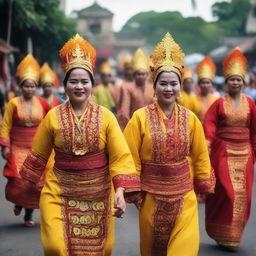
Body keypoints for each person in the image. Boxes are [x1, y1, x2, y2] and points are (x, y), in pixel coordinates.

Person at [20, 34, 140, 256]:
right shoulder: (53, 116)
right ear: (65, 85)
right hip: (59, 191)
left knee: (101, 249)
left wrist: (121, 191)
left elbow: (120, 157)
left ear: (92, 85)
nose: (79, 86)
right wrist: (23, 193)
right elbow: (38, 156)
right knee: (56, 246)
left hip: (98, 194)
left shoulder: (106, 117)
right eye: (73, 81)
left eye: (84, 81)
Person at [124, 32, 215, 256]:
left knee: (184, 248)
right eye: (163, 83)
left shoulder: (191, 118)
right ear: (154, 86)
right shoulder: (139, 118)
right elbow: (129, 155)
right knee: (153, 248)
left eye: (173, 83)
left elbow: (200, 154)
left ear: (180, 86)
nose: (168, 88)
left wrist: (203, 180)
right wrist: (131, 188)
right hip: (151, 196)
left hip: (184, 194)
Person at [204, 48, 256, 249]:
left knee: (244, 195)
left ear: (244, 82)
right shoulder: (218, 104)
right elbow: (209, 128)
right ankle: (220, 231)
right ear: (226, 83)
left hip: (245, 155)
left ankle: (233, 235)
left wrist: (253, 152)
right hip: (223, 152)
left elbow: (254, 131)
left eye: (239, 80)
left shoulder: (250, 104)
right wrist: (207, 150)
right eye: (232, 79)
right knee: (226, 192)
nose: (235, 83)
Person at [0, 54, 50, 227]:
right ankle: (19, 202)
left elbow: (49, 125)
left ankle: (28, 215)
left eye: (32, 86)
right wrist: (5, 146)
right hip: (17, 147)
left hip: (37, 149)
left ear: (36, 87)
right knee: (19, 180)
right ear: (21, 87)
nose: (29, 89)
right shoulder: (13, 103)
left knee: (35, 183)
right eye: (26, 86)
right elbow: (5, 125)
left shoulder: (43, 103)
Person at [118, 48, 154, 129]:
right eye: (139, 74)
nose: (141, 76)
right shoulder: (126, 87)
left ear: (147, 75)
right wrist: (129, 128)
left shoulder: (153, 87)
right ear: (134, 75)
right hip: (134, 126)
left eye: (143, 74)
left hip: (151, 126)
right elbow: (124, 111)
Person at [195, 56, 218, 122]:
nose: (205, 85)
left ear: (212, 84)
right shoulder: (193, 99)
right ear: (199, 84)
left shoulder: (216, 99)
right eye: (203, 82)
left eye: (208, 82)